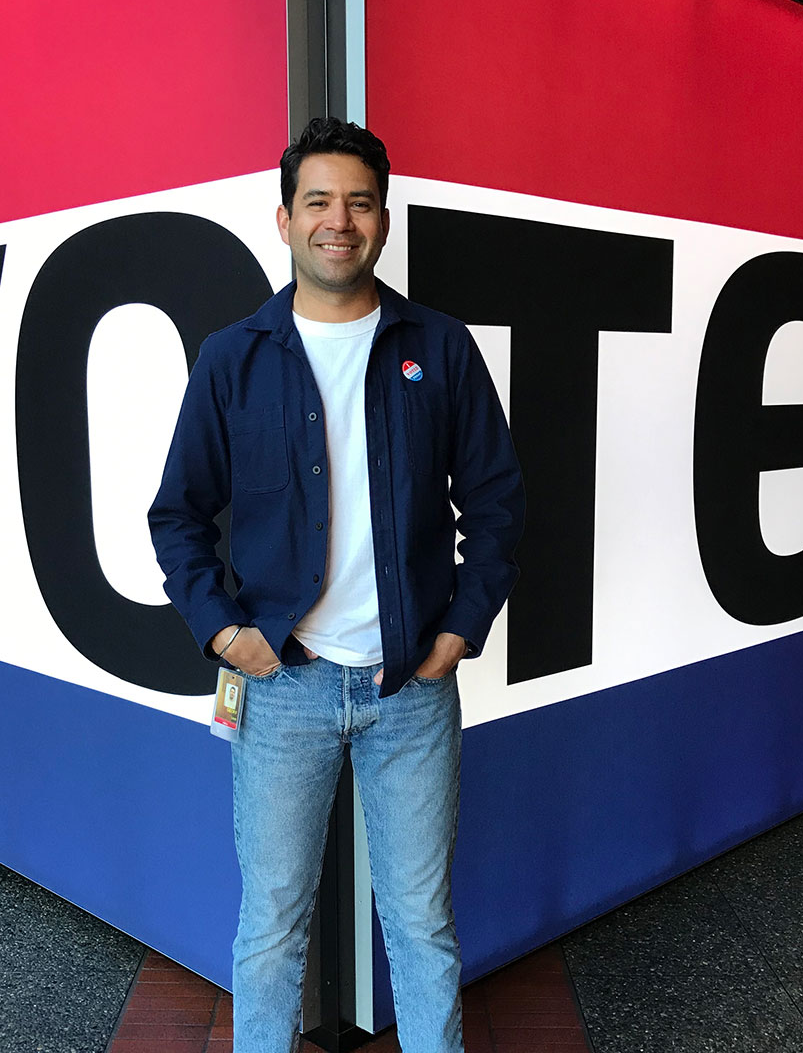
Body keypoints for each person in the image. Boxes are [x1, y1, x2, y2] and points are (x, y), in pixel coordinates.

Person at [149, 117, 524, 1053]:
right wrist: (223, 631)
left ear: (384, 221)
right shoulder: (233, 358)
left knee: (423, 927)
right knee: (270, 929)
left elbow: (498, 501)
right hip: (282, 690)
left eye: (359, 202)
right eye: (318, 201)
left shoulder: (438, 348)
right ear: (284, 220)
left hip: (411, 691)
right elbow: (177, 516)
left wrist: (461, 628)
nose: (338, 221)